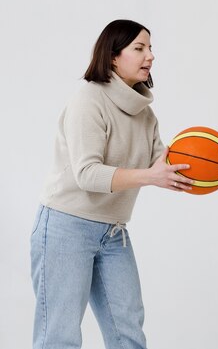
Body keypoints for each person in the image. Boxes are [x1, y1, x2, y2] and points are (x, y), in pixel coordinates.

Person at [30, 19, 194, 349]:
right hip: (66, 227)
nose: (150, 56)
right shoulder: (89, 101)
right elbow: (87, 175)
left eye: (151, 49)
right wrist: (151, 177)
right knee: (59, 337)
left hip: (113, 231)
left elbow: (160, 163)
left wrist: (196, 169)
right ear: (114, 56)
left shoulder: (145, 115)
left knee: (128, 334)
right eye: (139, 48)